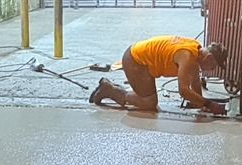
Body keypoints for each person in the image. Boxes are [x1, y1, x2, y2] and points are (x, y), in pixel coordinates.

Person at [88, 36, 228, 114]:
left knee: (148, 99)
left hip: (139, 57)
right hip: (136, 61)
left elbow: (195, 82)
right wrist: (209, 104)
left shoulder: (195, 49)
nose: (211, 69)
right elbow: (184, 90)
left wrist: (201, 104)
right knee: (149, 103)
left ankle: (112, 88)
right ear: (209, 58)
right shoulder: (187, 57)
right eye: (213, 66)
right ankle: (109, 90)